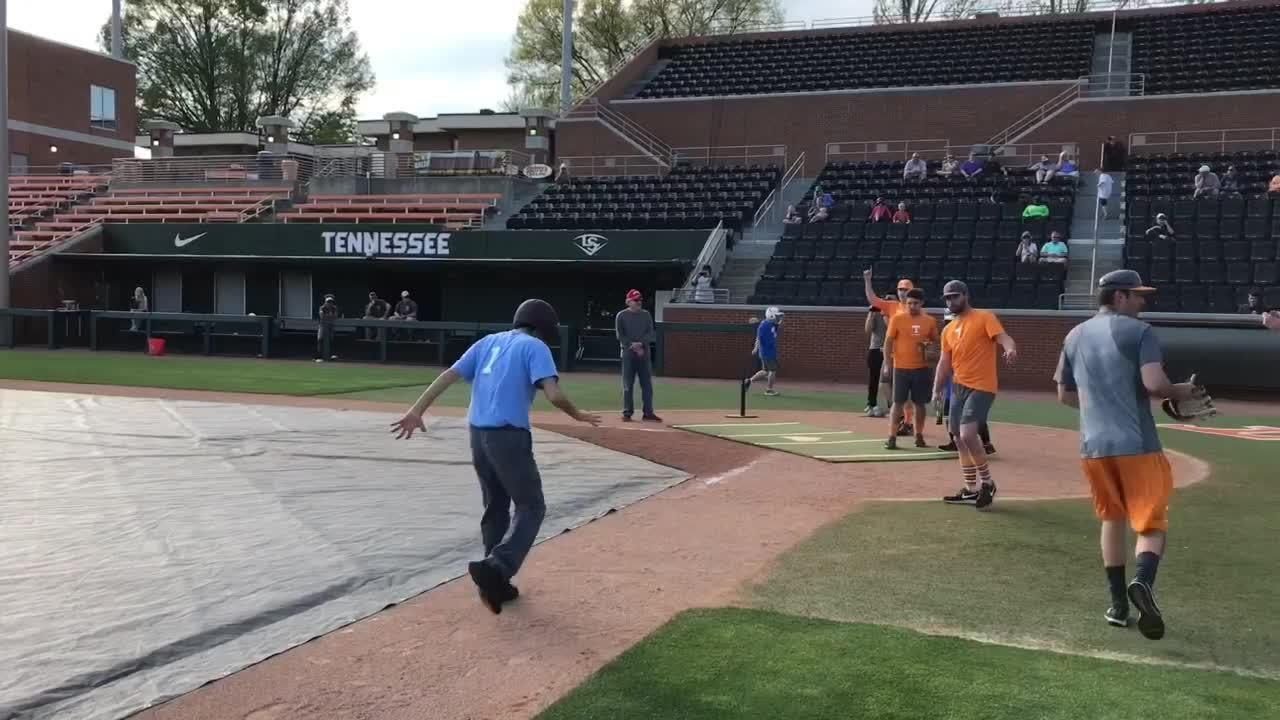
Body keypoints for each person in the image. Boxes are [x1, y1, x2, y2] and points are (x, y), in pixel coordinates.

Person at [389, 299, 601, 614]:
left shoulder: (488, 342)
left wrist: (416, 410)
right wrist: (579, 414)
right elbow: (554, 394)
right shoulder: (535, 347)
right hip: (508, 436)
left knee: (496, 506)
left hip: (477, 435)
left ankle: (494, 581)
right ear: (542, 327)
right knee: (532, 506)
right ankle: (499, 566)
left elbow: (449, 374)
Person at [1054, 270, 1201, 640]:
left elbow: (1065, 395)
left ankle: (1118, 605)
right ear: (1119, 297)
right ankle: (1143, 582)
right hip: (1137, 445)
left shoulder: (1074, 335)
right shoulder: (1140, 332)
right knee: (1151, 523)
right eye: (1137, 295)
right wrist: (1181, 390)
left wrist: (1102, 405)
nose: (1142, 301)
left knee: (1112, 520)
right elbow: (1155, 385)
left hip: (1094, 446)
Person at [932, 280, 1017, 511]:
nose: (951, 301)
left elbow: (1003, 338)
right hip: (959, 386)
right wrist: (937, 388)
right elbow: (944, 362)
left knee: (968, 434)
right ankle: (970, 489)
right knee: (957, 437)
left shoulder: (984, 317)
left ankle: (987, 483)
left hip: (982, 385)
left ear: (966, 296)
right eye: (947, 298)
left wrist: (1009, 349)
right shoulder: (948, 329)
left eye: (955, 296)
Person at [884, 289, 938, 450]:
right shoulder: (897, 319)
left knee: (919, 404)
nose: (912, 306)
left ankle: (919, 435)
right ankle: (892, 437)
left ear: (921, 303)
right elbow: (888, 342)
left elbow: (935, 342)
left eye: (915, 303)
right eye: (909, 303)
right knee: (897, 403)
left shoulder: (929, 321)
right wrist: (887, 363)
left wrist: (930, 349)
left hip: (921, 368)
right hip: (900, 367)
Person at [616, 289, 661, 422]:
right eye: (636, 300)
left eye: (640, 300)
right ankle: (627, 412)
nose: (639, 302)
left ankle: (648, 412)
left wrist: (641, 344)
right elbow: (620, 335)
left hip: (644, 354)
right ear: (628, 301)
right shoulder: (621, 315)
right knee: (628, 385)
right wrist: (632, 345)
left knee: (647, 384)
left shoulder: (646, 315)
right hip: (628, 354)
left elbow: (650, 333)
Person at [744, 306, 784, 396]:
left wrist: (780, 318)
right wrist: (755, 348)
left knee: (765, 371)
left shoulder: (771, 323)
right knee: (772, 370)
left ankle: (749, 381)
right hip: (767, 352)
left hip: (769, 351)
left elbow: (778, 324)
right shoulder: (764, 326)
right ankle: (769, 390)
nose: (777, 318)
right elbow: (758, 338)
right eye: (776, 316)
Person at [864, 305, 887, 417]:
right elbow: (868, 330)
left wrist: (886, 315)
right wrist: (871, 314)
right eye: (886, 299)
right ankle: (871, 404)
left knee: (889, 381)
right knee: (874, 379)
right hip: (876, 349)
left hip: (891, 351)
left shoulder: (897, 312)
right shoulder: (876, 312)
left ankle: (892, 406)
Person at [315, 294, 339, 362]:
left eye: (331, 302)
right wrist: (330, 316)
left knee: (332, 339)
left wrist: (328, 316)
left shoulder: (334, 308)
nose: (330, 303)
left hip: (331, 325)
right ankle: (318, 357)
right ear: (325, 302)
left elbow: (335, 316)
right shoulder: (322, 307)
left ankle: (332, 355)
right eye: (328, 302)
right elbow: (322, 316)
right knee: (320, 339)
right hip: (322, 325)